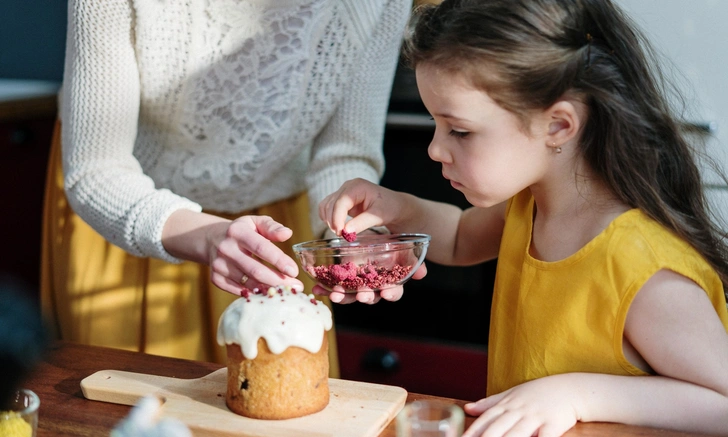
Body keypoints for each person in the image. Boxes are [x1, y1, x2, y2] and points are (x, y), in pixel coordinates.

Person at [315, 0, 728, 435]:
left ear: (558, 126)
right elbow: (457, 238)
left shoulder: (643, 268)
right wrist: (392, 207)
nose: (435, 149)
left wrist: (576, 395)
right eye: (435, 124)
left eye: (459, 130)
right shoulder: (527, 207)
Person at [40, 0, 412, 376]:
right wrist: (205, 235)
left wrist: (350, 236)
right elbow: (96, 170)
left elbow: (344, 151)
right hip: (133, 224)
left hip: (273, 237)